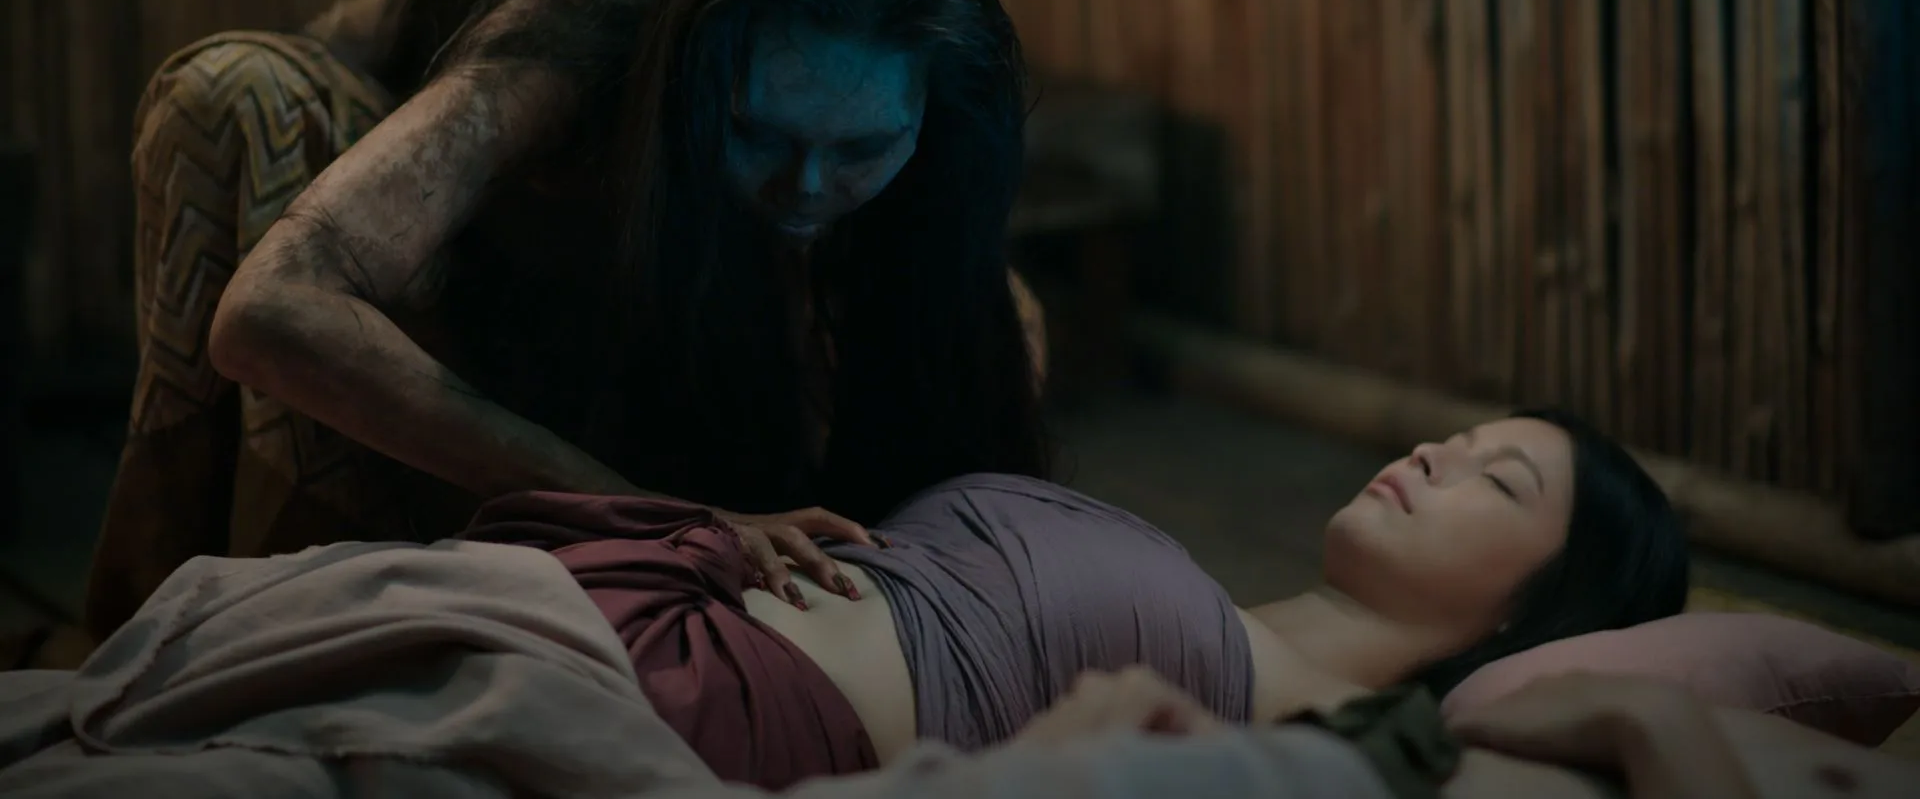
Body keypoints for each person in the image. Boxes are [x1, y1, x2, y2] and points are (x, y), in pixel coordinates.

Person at [87, 0, 1052, 638]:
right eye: (757, 130)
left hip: (618, 295)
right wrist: (662, 520)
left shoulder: (951, 116)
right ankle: (246, 655)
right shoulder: (592, 18)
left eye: (862, 149)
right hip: (425, 263)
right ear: (697, 74)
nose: (805, 184)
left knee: (1005, 317)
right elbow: (270, 309)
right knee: (234, 95)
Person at [459, 408, 1692, 786]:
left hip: (696, 707)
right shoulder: (1214, 603)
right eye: (1456, 438)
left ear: (1536, 608)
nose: (1433, 456)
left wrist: (1637, 713)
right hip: (628, 598)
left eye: (1498, 479)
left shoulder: (1323, 727)